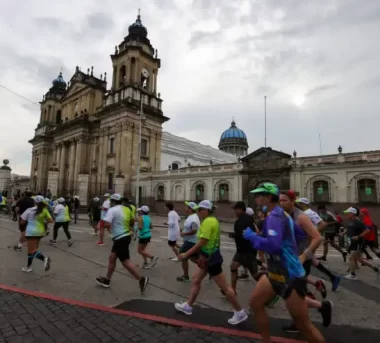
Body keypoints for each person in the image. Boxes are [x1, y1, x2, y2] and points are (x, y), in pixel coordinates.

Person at [244, 183, 325, 343]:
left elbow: (273, 246)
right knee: (255, 303)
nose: (256, 198)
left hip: (290, 275)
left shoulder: (275, 217)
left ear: (268, 198)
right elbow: (298, 235)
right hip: (275, 271)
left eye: (259, 195)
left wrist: (253, 237)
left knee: (304, 325)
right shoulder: (279, 214)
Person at [175, 200, 248, 325]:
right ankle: (188, 306)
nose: (198, 212)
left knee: (225, 287)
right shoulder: (212, 220)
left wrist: (186, 254)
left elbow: (202, 242)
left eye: (199, 210)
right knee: (196, 279)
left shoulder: (208, 222)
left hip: (211, 259)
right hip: (208, 257)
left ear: (206, 210)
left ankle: (239, 312)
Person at [280, 190, 332, 333]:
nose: (281, 203)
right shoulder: (284, 215)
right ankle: (308, 315)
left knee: (294, 294)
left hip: (300, 261)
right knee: (292, 293)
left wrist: (305, 255)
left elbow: (317, 237)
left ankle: (304, 321)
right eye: (280, 200)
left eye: (284, 200)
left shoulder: (301, 217)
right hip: (290, 260)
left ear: (292, 201)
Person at [96, 194, 149, 294]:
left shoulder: (112, 210)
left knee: (125, 262)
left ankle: (141, 279)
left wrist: (110, 230)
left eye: (111, 200)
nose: (110, 202)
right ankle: (107, 280)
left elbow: (106, 224)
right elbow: (132, 221)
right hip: (125, 236)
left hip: (120, 238)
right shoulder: (126, 209)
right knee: (112, 257)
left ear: (113, 201)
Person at [229, 201, 259, 294]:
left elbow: (253, 233)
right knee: (233, 267)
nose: (234, 211)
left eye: (235, 209)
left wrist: (237, 236)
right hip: (241, 251)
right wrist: (235, 235)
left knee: (255, 275)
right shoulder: (245, 219)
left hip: (248, 251)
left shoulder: (245, 219)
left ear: (240, 209)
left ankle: (270, 290)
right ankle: (232, 290)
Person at [341, 207, 379, 280]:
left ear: (352, 214)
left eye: (348, 213)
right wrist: (344, 232)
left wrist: (358, 236)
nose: (346, 215)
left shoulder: (358, 222)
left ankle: (353, 275)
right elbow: (350, 228)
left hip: (357, 243)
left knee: (351, 257)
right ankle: (375, 268)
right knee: (360, 260)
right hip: (351, 242)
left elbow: (367, 230)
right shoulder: (350, 221)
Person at [20, 195, 53, 273]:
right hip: (40, 232)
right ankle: (28, 267)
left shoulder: (29, 210)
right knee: (31, 250)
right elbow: (51, 220)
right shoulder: (44, 210)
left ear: (35, 202)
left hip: (31, 232)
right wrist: (44, 221)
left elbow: (22, 222)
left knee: (32, 250)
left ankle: (44, 259)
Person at [177, 201, 200, 282]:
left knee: (183, 256)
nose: (185, 208)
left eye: (187, 207)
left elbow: (194, 230)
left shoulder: (193, 219)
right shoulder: (191, 216)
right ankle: (209, 268)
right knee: (194, 258)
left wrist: (184, 233)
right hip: (191, 241)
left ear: (190, 209)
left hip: (191, 242)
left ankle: (186, 276)